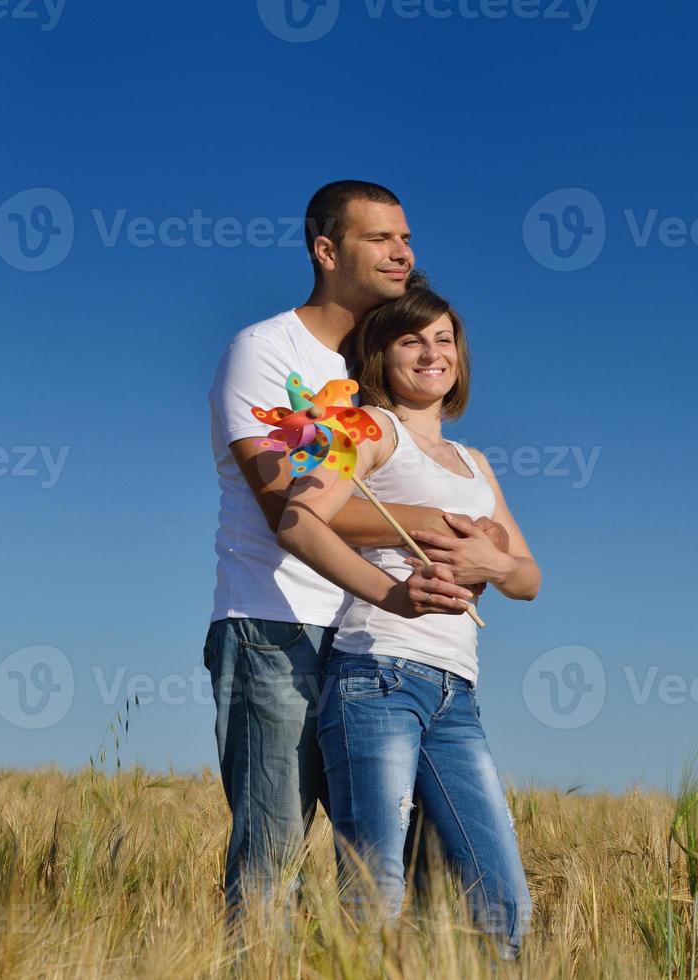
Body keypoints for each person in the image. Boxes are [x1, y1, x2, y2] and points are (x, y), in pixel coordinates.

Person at [203, 179, 508, 918]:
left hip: (379, 644)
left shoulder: (382, 363)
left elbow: (425, 474)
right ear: (327, 249)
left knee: (396, 864)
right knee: (273, 847)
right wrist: (449, 521)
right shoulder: (266, 350)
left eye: (407, 238)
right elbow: (289, 503)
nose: (402, 252)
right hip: (276, 624)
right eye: (381, 238)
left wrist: (482, 538)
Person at [276, 285, 539, 957]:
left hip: (457, 692)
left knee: (501, 895)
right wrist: (391, 594)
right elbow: (300, 520)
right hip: (378, 675)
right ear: (380, 356)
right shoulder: (366, 433)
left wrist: (493, 561)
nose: (431, 353)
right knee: (376, 886)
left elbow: (528, 579)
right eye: (410, 340)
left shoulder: (475, 464)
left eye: (443, 339)